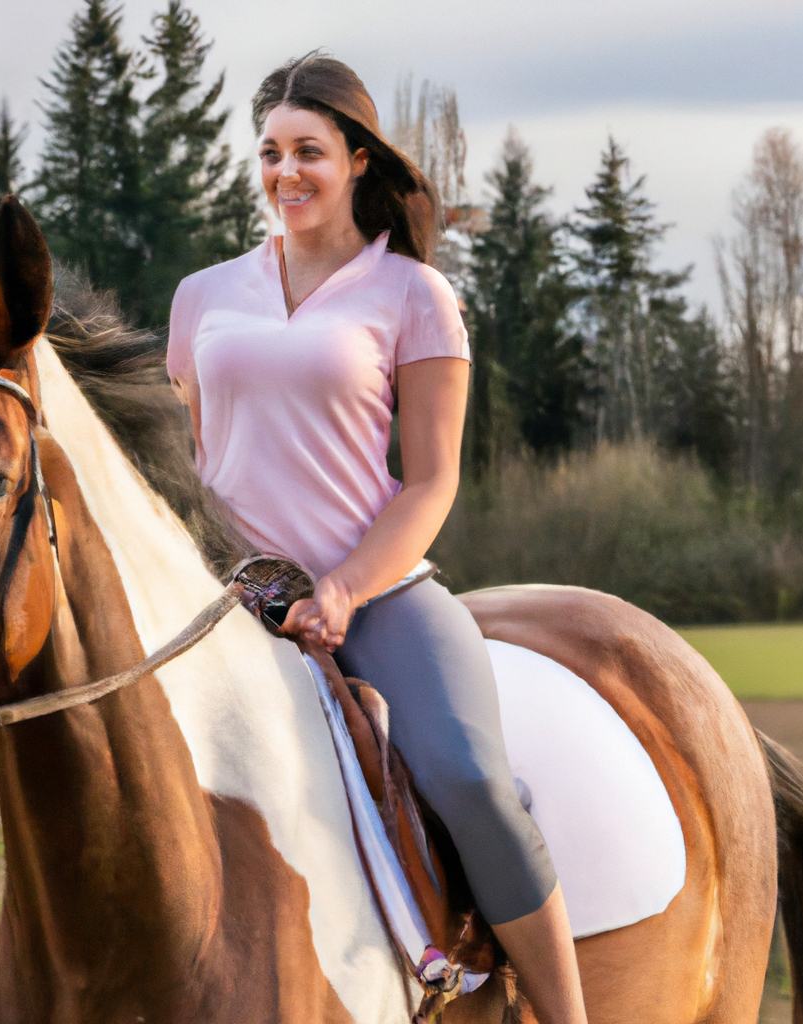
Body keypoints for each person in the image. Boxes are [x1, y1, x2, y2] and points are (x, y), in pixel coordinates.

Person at [167, 53, 588, 1024]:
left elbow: (432, 481)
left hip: (378, 597)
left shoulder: (412, 296)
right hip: (231, 604)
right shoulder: (202, 297)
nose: (286, 174)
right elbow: (193, 464)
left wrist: (346, 589)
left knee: (467, 775)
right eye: (269, 153)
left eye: (308, 152)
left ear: (358, 159)